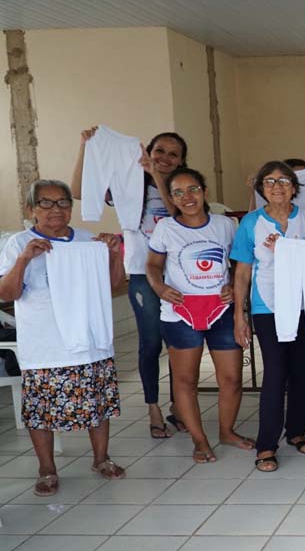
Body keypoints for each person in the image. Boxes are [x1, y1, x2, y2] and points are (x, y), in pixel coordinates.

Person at [0, 180, 126, 496]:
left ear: (71, 207)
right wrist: (24, 259)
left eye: (62, 202)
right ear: (31, 209)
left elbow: (112, 285)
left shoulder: (86, 240)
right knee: (41, 412)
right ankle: (46, 469)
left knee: (98, 405)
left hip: (90, 342)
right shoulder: (19, 243)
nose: (56, 209)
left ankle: (101, 458)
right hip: (45, 345)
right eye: (46, 203)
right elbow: (7, 293)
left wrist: (112, 255)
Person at [71, 128, 188, 439]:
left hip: (179, 276)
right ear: (148, 151)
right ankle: (154, 407)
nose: (164, 158)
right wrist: (87, 149)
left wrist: (159, 178)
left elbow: (177, 212)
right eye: (159, 151)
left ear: (181, 161)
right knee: (150, 344)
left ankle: (181, 407)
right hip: (140, 274)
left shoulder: (184, 187)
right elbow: (80, 190)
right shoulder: (127, 180)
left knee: (179, 345)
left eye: (172, 154)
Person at [146, 168, 248, 463]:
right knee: (186, 380)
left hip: (220, 309)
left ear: (204, 191)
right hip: (180, 312)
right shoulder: (166, 228)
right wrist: (160, 287)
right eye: (178, 192)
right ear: (171, 198)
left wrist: (231, 284)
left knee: (231, 378)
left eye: (193, 189)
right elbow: (152, 265)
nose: (187, 197)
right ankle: (199, 440)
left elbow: (239, 265)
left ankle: (227, 432)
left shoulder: (225, 224)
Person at [231, 161, 305, 473]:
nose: (277, 186)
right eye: (269, 181)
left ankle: (296, 431)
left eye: (284, 180)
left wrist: (290, 250)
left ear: (295, 187)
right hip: (267, 306)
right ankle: (266, 443)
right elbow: (242, 273)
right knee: (275, 373)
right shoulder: (251, 223)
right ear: (261, 189)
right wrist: (238, 316)